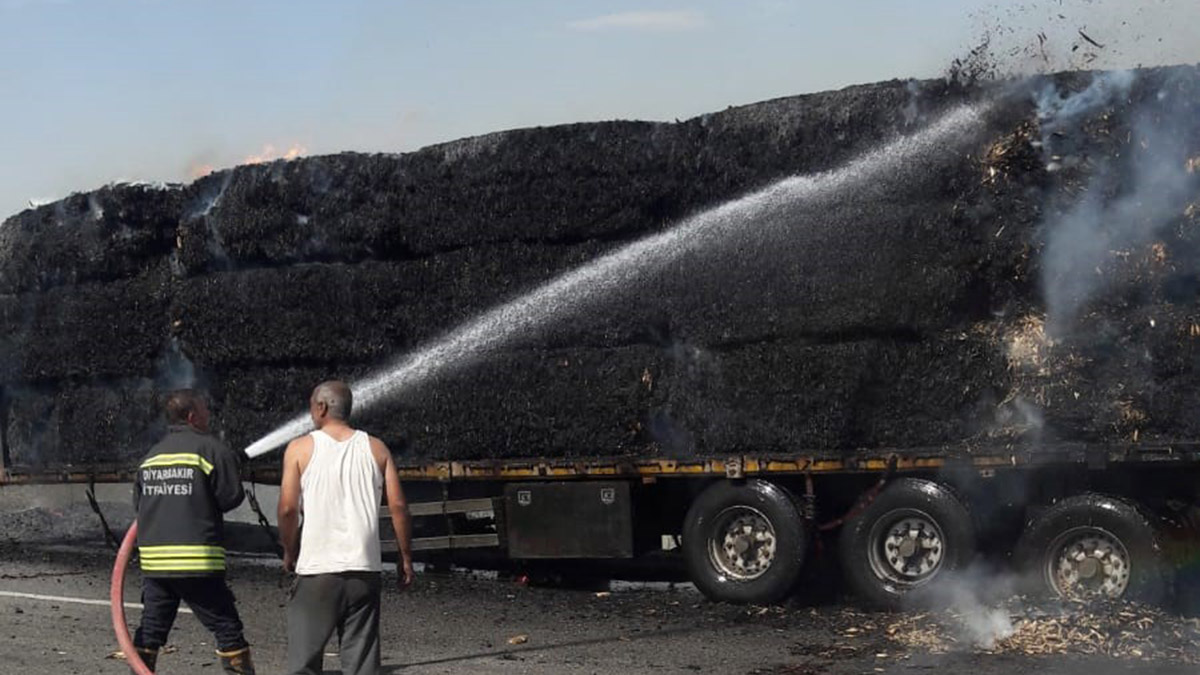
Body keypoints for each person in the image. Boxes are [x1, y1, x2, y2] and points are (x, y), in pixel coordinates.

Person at [278, 380, 415, 675]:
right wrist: (406, 557)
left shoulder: (300, 448)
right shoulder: (377, 448)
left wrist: (289, 551)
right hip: (365, 572)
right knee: (362, 662)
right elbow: (399, 508)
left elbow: (288, 509)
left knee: (304, 662)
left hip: (317, 570)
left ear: (322, 407)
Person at [131, 389, 255, 674]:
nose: (208, 415)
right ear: (192, 416)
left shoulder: (151, 457)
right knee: (226, 626)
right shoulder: (211, 449)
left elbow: (139, 505)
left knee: (150, 630)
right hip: (196, 561)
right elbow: (229, 498)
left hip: (155, 565)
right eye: (204, 410)